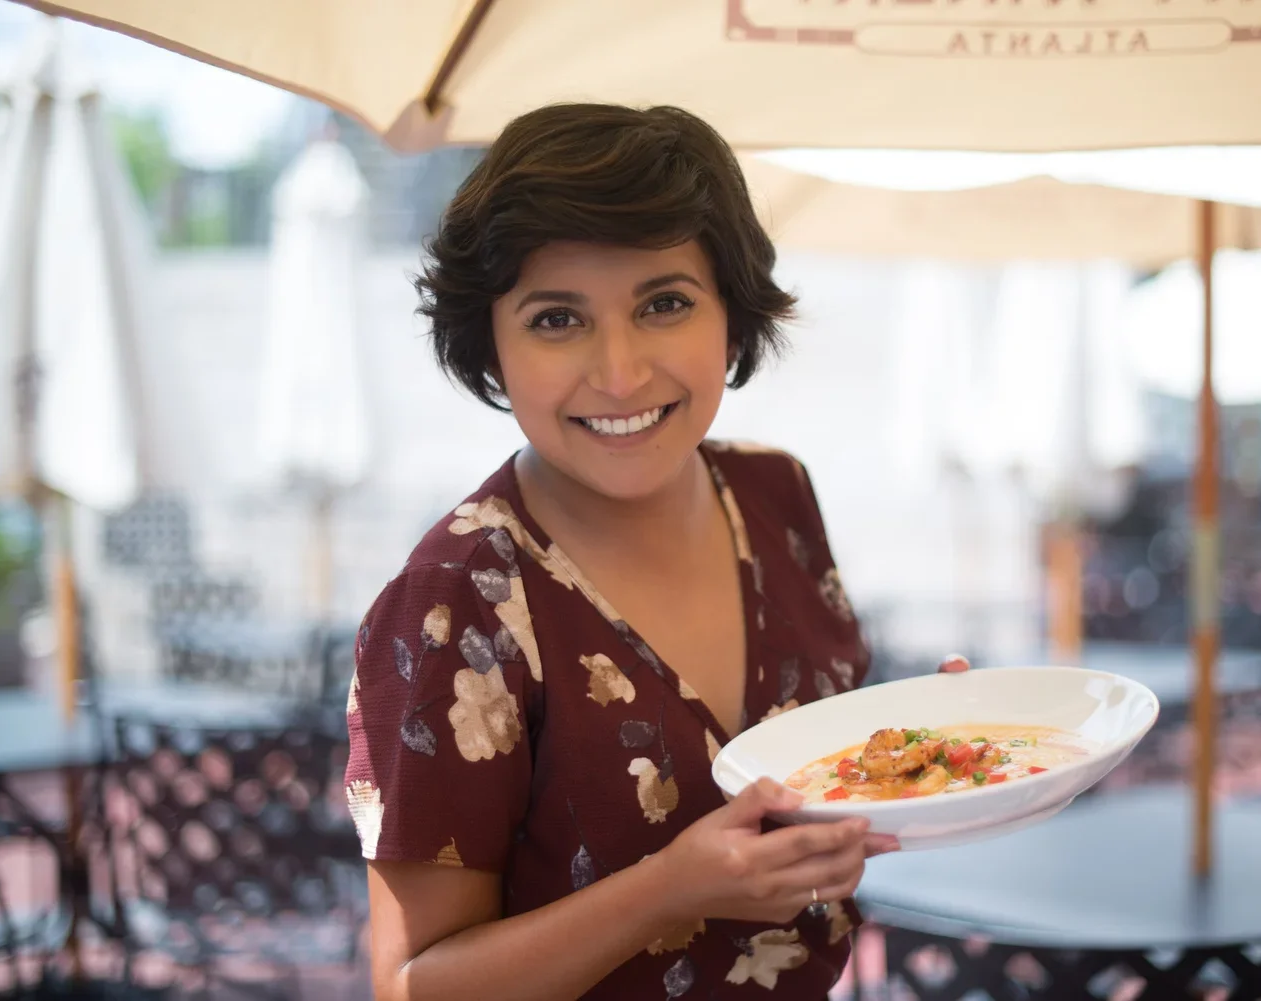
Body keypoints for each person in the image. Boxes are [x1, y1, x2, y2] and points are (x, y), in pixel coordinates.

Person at [344, 103, 967, 1001]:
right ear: (493, 342)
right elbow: (409, 984)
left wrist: (918, 756)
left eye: (664, 303)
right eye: (558, 319)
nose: (621, 372)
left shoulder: (774, 493)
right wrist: (674, 888)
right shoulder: (459, 596)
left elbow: (803, 772)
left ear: (731, 311)